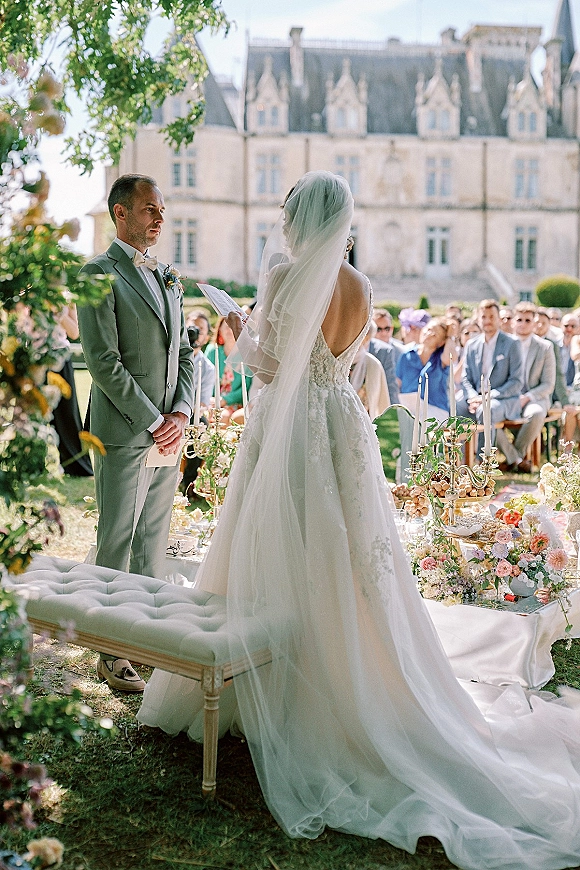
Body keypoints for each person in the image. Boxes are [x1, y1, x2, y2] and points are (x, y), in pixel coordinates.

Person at [138, 172, 580, 870]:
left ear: (300, 222)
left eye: (288, 216)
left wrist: (239, 328)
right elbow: (342, 364)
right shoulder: (364, 287)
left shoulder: (285, 274)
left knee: (277, 540)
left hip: (290, 432)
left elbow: (272, 367)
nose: (282, 228)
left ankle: (271, 692)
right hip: (341, 427)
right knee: (345, 555)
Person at [77, 173, 195, 692]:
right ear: (120, 213)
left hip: (169, 432)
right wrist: (153, 421)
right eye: (149, 209)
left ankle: (146, 639)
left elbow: (188, 353)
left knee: (154, 541)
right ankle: (110, 650)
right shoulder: (96, 274)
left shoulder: (169, 276)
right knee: (117, 539)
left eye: (161, 209)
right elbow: (103, 361)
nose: (159, 217)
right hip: (126, 430)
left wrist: (182, 415)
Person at [495, 302, 555, 473]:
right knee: (486, 416)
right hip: (507, 397)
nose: (523, 323)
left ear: (534, 322)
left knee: (536, 413)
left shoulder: (545, 347)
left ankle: (514, 457)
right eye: (519, 319)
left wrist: (527, 397)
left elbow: (548, 384)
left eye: (527, 320)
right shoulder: (503, 345)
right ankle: (518, 460)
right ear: (513, 321)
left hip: (534, 397)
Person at [457, 299, 523, 455]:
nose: (487, 321)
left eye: (491, 316)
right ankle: (461, 461)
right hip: (476, 398)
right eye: (483, 317)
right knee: (456, 406)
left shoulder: (512, 343)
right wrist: (473, 397)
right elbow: (465, 378)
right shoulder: (471, 345)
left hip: (503, 400)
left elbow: (516, 381)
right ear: (478, 319)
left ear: (499, 318)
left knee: (486, 411)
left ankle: (483, 461)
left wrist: (487, 397)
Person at [51, 304, 93, 477]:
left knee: (67, 414)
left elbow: (75, 332)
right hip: (33, 353)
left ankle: (77, 466)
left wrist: (58, 312)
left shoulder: (65, 297)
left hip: (59, 355)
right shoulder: (31, 292)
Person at [396, 317, 456, 422]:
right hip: (408, 409)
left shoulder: (441, 358)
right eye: (428, 329)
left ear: (441, 342)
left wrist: (450, 336)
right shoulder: (407, 355)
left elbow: (451, 358)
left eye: (434, 334)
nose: (428, 334)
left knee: (419, 425)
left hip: (435, 410)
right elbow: (397, 384)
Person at [205, 316, 252, 423]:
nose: (229, 330)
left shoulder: (247, 354)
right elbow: (205, 378)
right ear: (219, 329)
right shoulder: (212, 351)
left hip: (236, 403)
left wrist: (224, 400)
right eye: (226, 326)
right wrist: (213, 399)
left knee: (223, 417)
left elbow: (248, 385)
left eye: (233, 326)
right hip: (212, 401)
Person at [349, 321, 390, 420]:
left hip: (363, 422)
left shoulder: (373, 364)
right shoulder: (335, 360)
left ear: (366, 338)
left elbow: (383, 403)